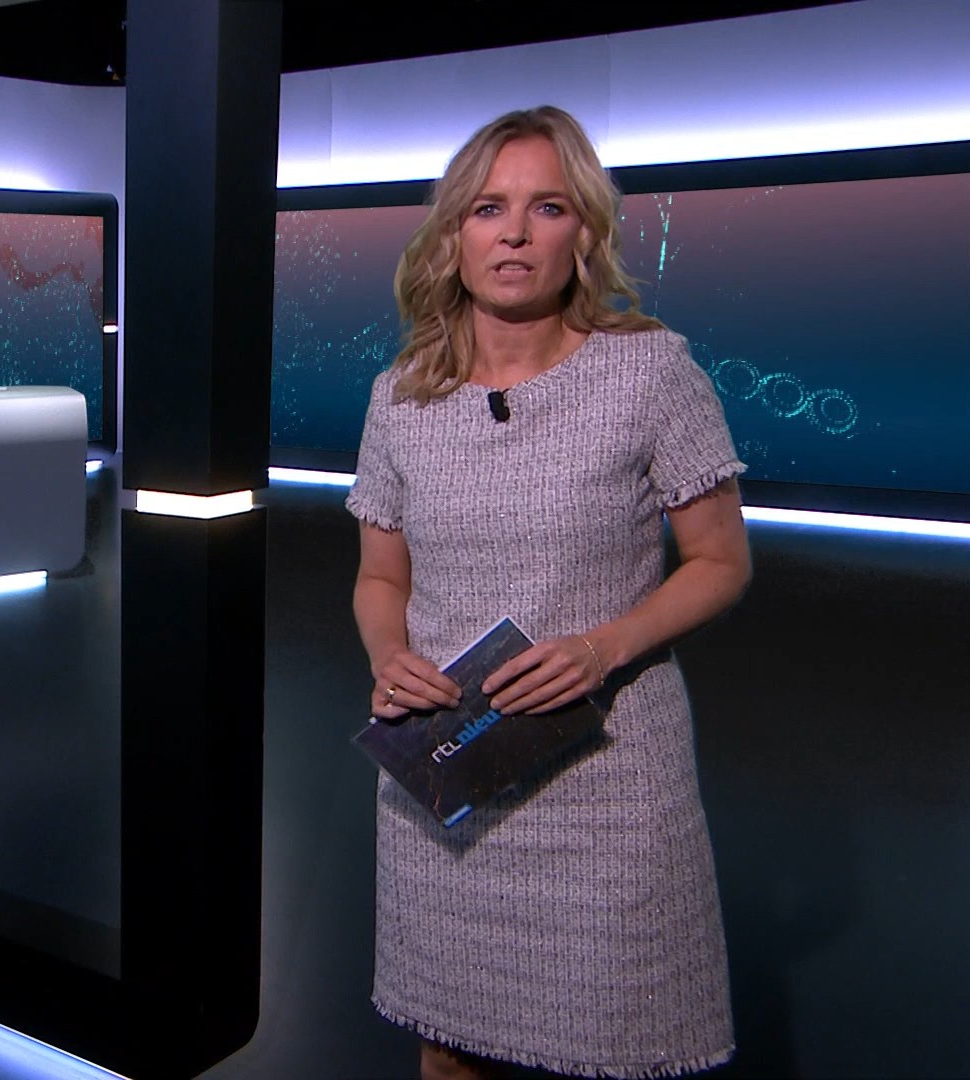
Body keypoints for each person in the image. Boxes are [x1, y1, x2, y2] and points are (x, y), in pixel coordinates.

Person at [344, 105, 751, 1079]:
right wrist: (388, 657)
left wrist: (602, 649)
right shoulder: (400, 396)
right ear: (453, 236)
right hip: (448, 773)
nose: (515, 234)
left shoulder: (651, 372)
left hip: (606, 777)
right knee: (450, 1056)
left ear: (586, 234)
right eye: (488, 208)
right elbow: (381, 575)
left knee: (622, 1048)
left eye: (548, 207)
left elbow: (720, 561)